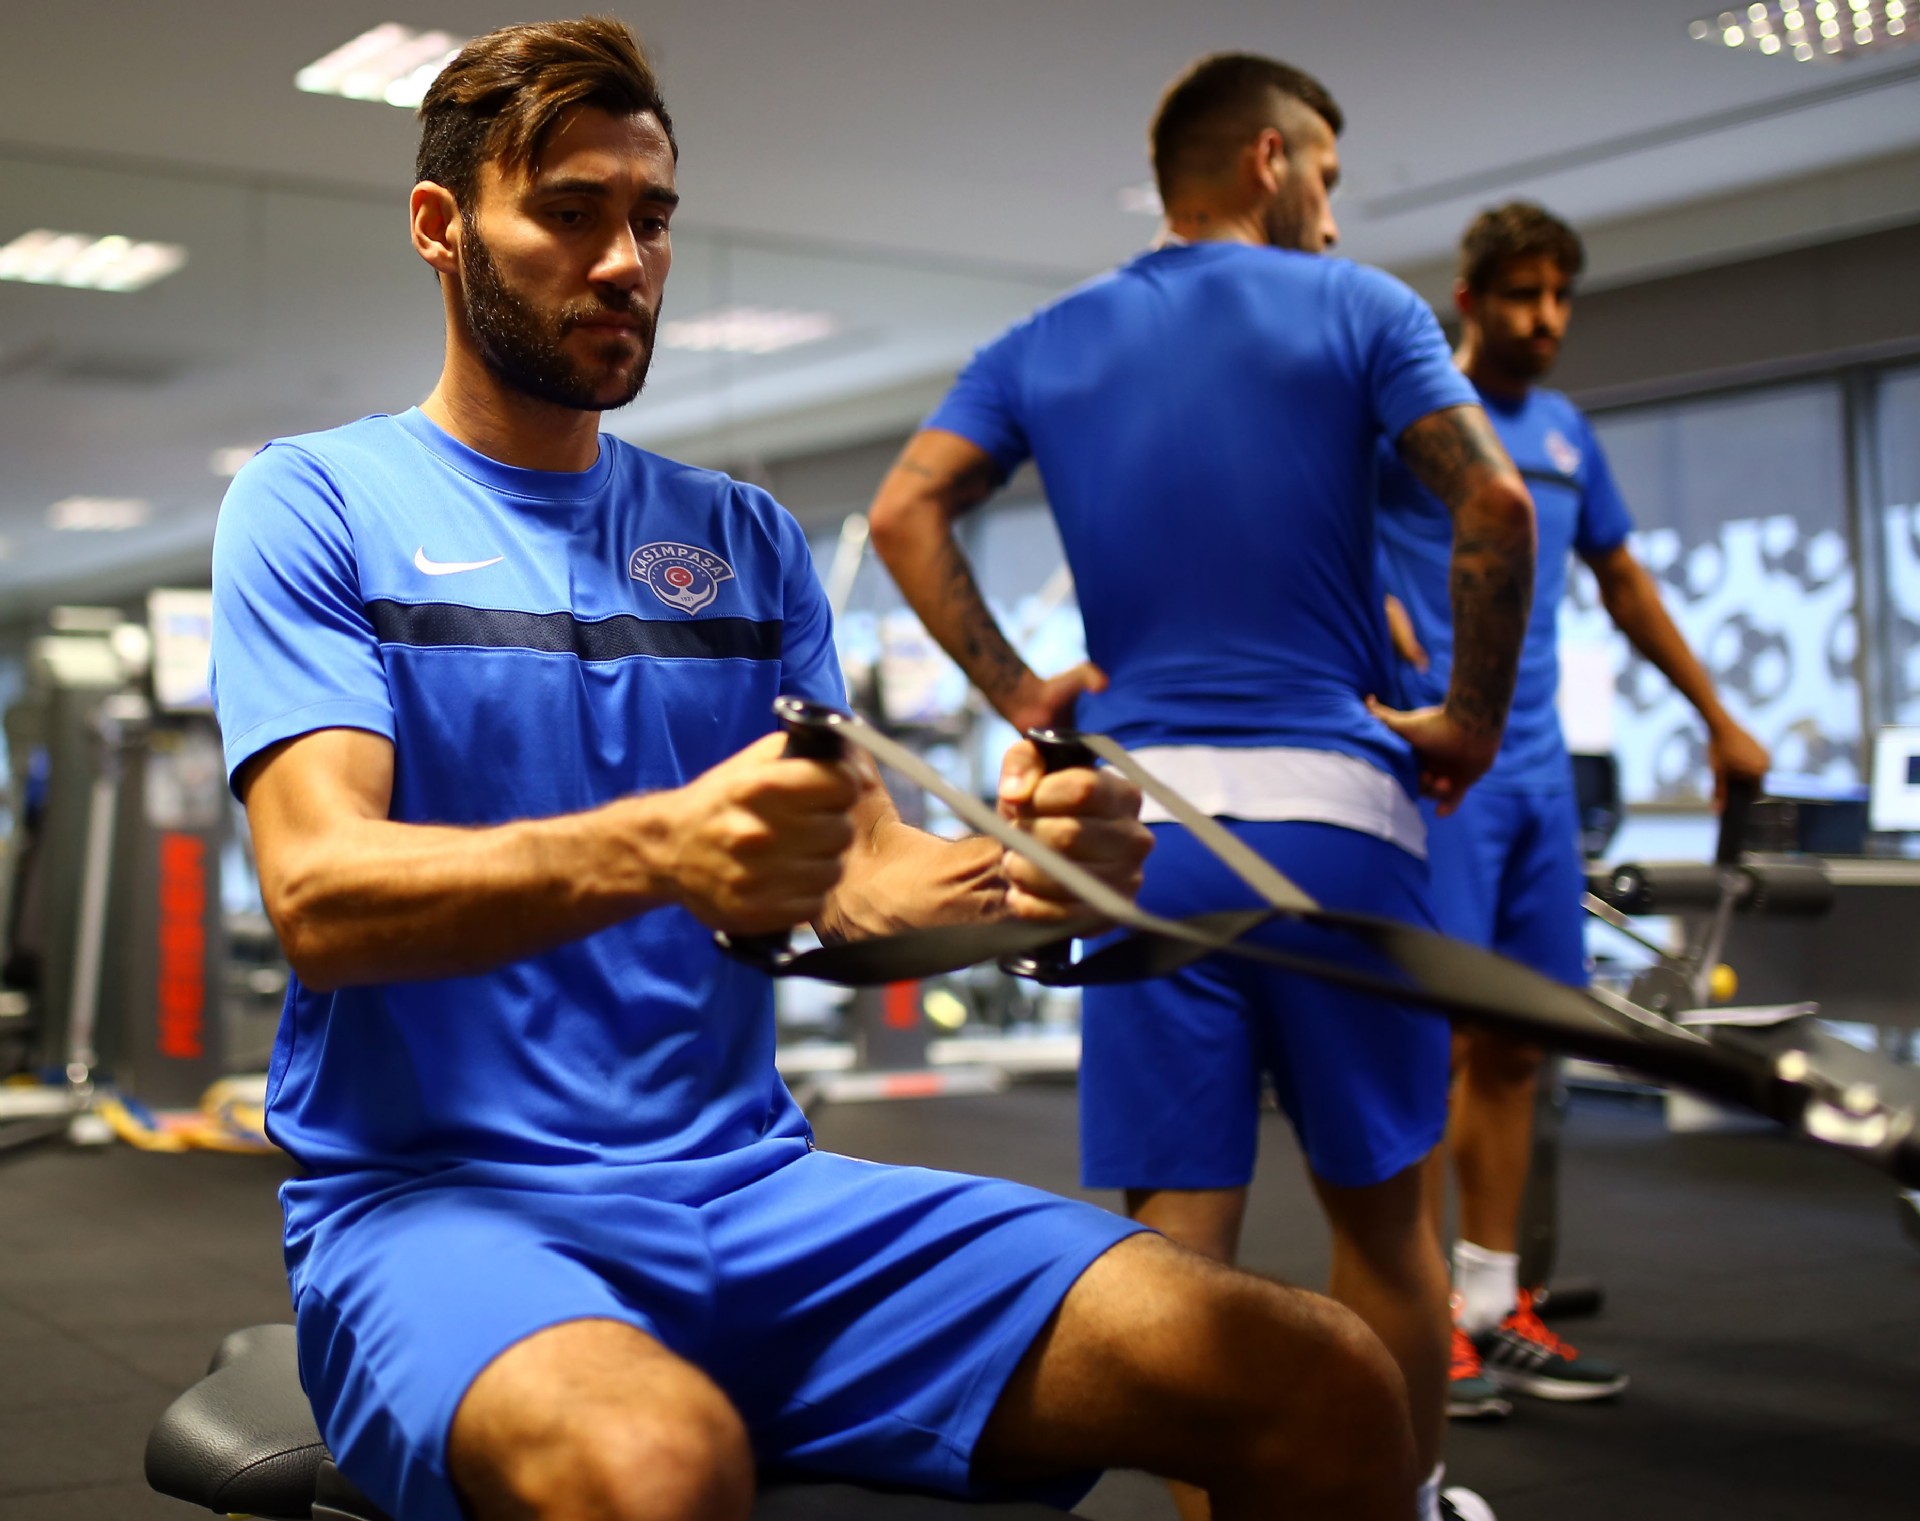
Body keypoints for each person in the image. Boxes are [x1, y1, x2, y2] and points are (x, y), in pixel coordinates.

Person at [209, 19, 1428, 1521]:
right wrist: (661, 848)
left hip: (759, 1199)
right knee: (655, 1465)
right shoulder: (319, 501)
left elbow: (860, 876)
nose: (626, 262)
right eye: (572, 212)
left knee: (1322, 1375)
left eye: (652, 217)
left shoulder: (743, 540)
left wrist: (1027, 875)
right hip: (441, 1215)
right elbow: (319, 890)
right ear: (440, 227)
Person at [868, 51, 1534, 1521]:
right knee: (1386, 1225)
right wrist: (1468, 723)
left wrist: (1021, 693)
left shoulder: (1046, 338)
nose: (1335, 220)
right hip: (1342, 823)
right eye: (1328, 180)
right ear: (1267, 161)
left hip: (1143, 838)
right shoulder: (1362, 308)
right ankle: (1410, 1501)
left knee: (1176, 1253)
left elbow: (907, 509)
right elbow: (1494, 500)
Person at [1375, 202, 1772, 1413]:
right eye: (1522, 294)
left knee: (1520, 1043)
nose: (1546, 319)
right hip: (1440, 772)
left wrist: (1717, 717)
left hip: (1540, 775)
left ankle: (1494, 1306)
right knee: (1435, 1045)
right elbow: (1324, 540)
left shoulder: (1565, 433)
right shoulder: (1413, 413)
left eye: (1560, 297)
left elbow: (1624, 581)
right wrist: (1375, 630)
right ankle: (1420, 1324)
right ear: (1469, 298)